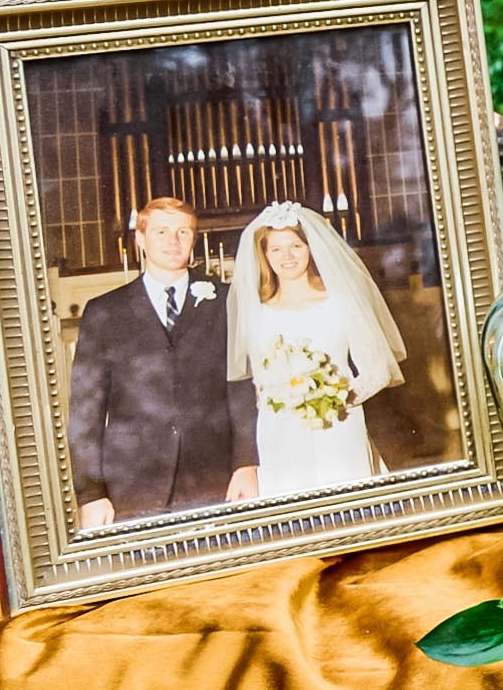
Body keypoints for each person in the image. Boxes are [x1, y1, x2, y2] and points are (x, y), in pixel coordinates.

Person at [68, 196, 257, 526]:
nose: (173, 242)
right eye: (161, 232)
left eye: (183, 232)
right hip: (133, 485)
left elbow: (240, 390)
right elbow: (86, 412)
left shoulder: (226, 300)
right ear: (140, 238)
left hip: (215, 478)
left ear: (194, 239)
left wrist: (246, 464)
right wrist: (91, 494)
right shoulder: (104, 312)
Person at [225, 203, 407, 497]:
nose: (287, 257)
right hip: (280, 432)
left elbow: (378, 371)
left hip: (338, 425)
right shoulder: (256, 312)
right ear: (265, 255)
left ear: (311, 248)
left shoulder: (341, 301)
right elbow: (258, 383)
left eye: (296, 246)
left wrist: (332, 397)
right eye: (276, 249)